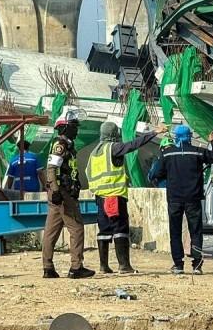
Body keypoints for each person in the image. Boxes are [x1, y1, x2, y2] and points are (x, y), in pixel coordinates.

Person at [86, 121, 166, 274]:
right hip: (114, 195)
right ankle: (124, 266)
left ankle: (103, 266)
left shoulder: (94, 152)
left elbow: (88, 173)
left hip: (100, 197)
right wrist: (154, 133)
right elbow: (133, 145)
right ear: (113, 134)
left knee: (104, 231)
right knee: (120, 229)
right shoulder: (113, 148)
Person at [150, 125, 213, 275]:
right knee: (195, 231)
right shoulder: (198, 152)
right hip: (193, 198)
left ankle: (178, 265)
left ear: (176, 137)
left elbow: (156, 173)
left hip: (174, 199)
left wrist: (169, 175)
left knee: (175, 232)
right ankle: (197, 265)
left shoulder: (167, 153)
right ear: (190, 136)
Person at [42, 109, 95, 280]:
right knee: (77, 228)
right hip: (63, 193)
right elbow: (51, 168)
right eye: (73, 126)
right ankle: (76, 267)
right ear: (64, 128)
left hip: (59, 192)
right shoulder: (61, 145)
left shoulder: (67, 145)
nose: (76, 129)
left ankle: (48, 267)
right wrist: (56, 190)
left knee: (51, 231)